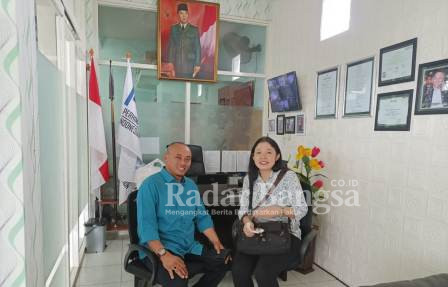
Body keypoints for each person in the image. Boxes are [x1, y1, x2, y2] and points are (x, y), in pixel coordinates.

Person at [137, 142, 229, 287]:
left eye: (187, 159)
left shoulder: (191, 185)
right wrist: (164, 255)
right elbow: (147, 228)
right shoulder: (150, 185)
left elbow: (202, 217)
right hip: (159, 249)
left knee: (224, 261)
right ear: (166, 158)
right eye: (178, 157)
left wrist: (216, 242)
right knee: (179, 281)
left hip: (189, 247)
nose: (183, 163)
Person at [232, 137, 308, 287]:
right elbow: (243, 211)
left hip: (285, 235)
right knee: (238, 271)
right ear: (253, 157)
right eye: (258, 152)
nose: (263, 157)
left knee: (263, 273)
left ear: (277, 156)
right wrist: (247, 223)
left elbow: (302, 209)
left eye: (268, 152)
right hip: (257, 234)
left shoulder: (289, 177)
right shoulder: (250, 179)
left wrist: (279, 210)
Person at [167, 3, 201, 79]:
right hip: (177, 64)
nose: (184, 16)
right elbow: (171, 46)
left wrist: (197, 64)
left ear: (188, 14)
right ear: (177, 15)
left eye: (186, 13)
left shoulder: (194, 30)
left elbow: (197, 47)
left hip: (190, 65)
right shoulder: (174, 28)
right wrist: (170, 62)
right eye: (181, 13)